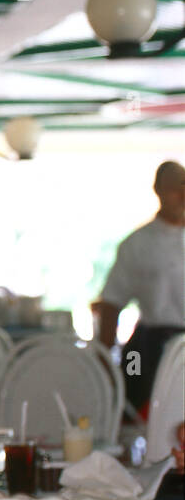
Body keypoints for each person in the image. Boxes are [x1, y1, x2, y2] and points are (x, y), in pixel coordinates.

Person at [95, 160, 185, 414]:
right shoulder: (136, 244)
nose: (181, 195)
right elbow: (112, 302)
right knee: (137, 396)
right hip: (148, 347)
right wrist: (104, 356)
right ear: (158, 190)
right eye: (174, 188)